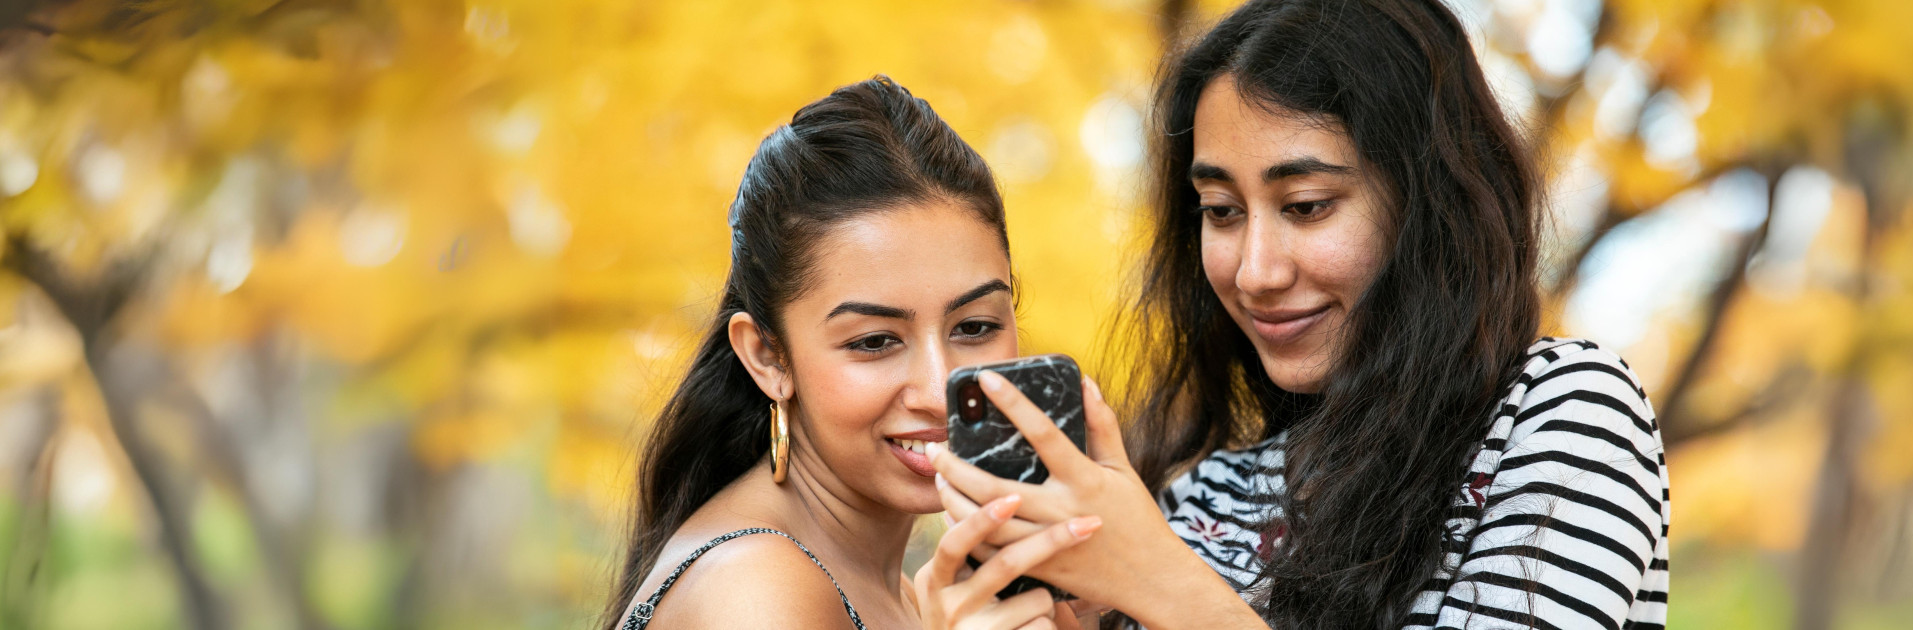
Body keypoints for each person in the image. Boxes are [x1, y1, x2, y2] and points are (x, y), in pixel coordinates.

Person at [926, 1, 1670, 628]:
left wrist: (1162, 587)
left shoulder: (1561, 411)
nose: (1255, 271)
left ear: (1430, 206)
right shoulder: (1206, 493)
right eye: (1220, 211)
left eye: (1307, 207)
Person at [603, 76, 1097, 630]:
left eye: (975, 327)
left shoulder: (906, 596)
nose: (939, 393)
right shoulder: (756, 590)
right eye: (874, 342)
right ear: (768, 357)